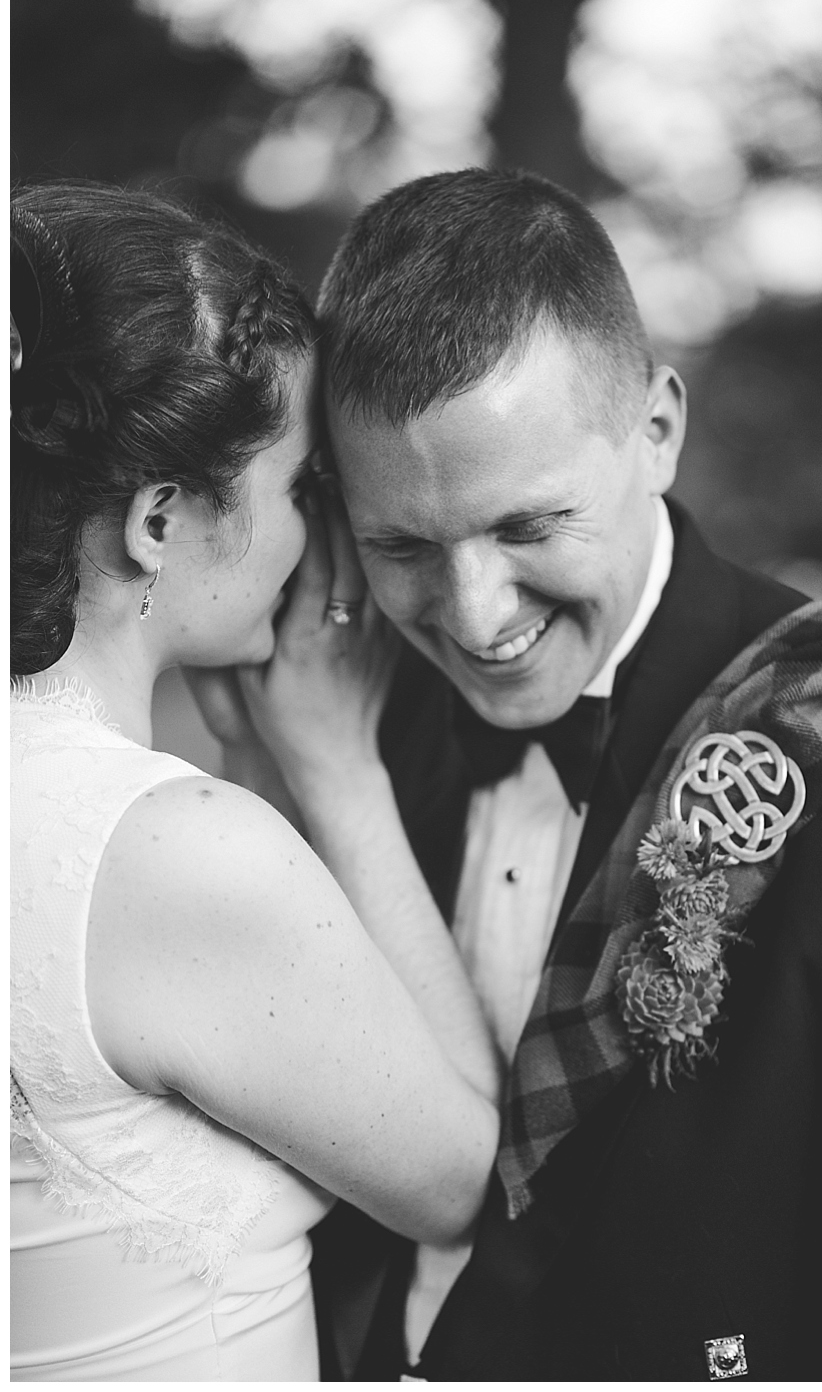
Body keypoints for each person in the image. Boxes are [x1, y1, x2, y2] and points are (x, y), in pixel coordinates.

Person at [243, 167, 822, 1381]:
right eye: (402, 547)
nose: (475, 618)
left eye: (529, 528)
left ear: (657, 432)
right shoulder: (340, 729)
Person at [9, 183, 503, 1382]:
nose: (313, 533)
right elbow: (458, 1182)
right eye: (299, 485)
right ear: (161, 520)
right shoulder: (176, 857)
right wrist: (335, 765)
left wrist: (243, 761)